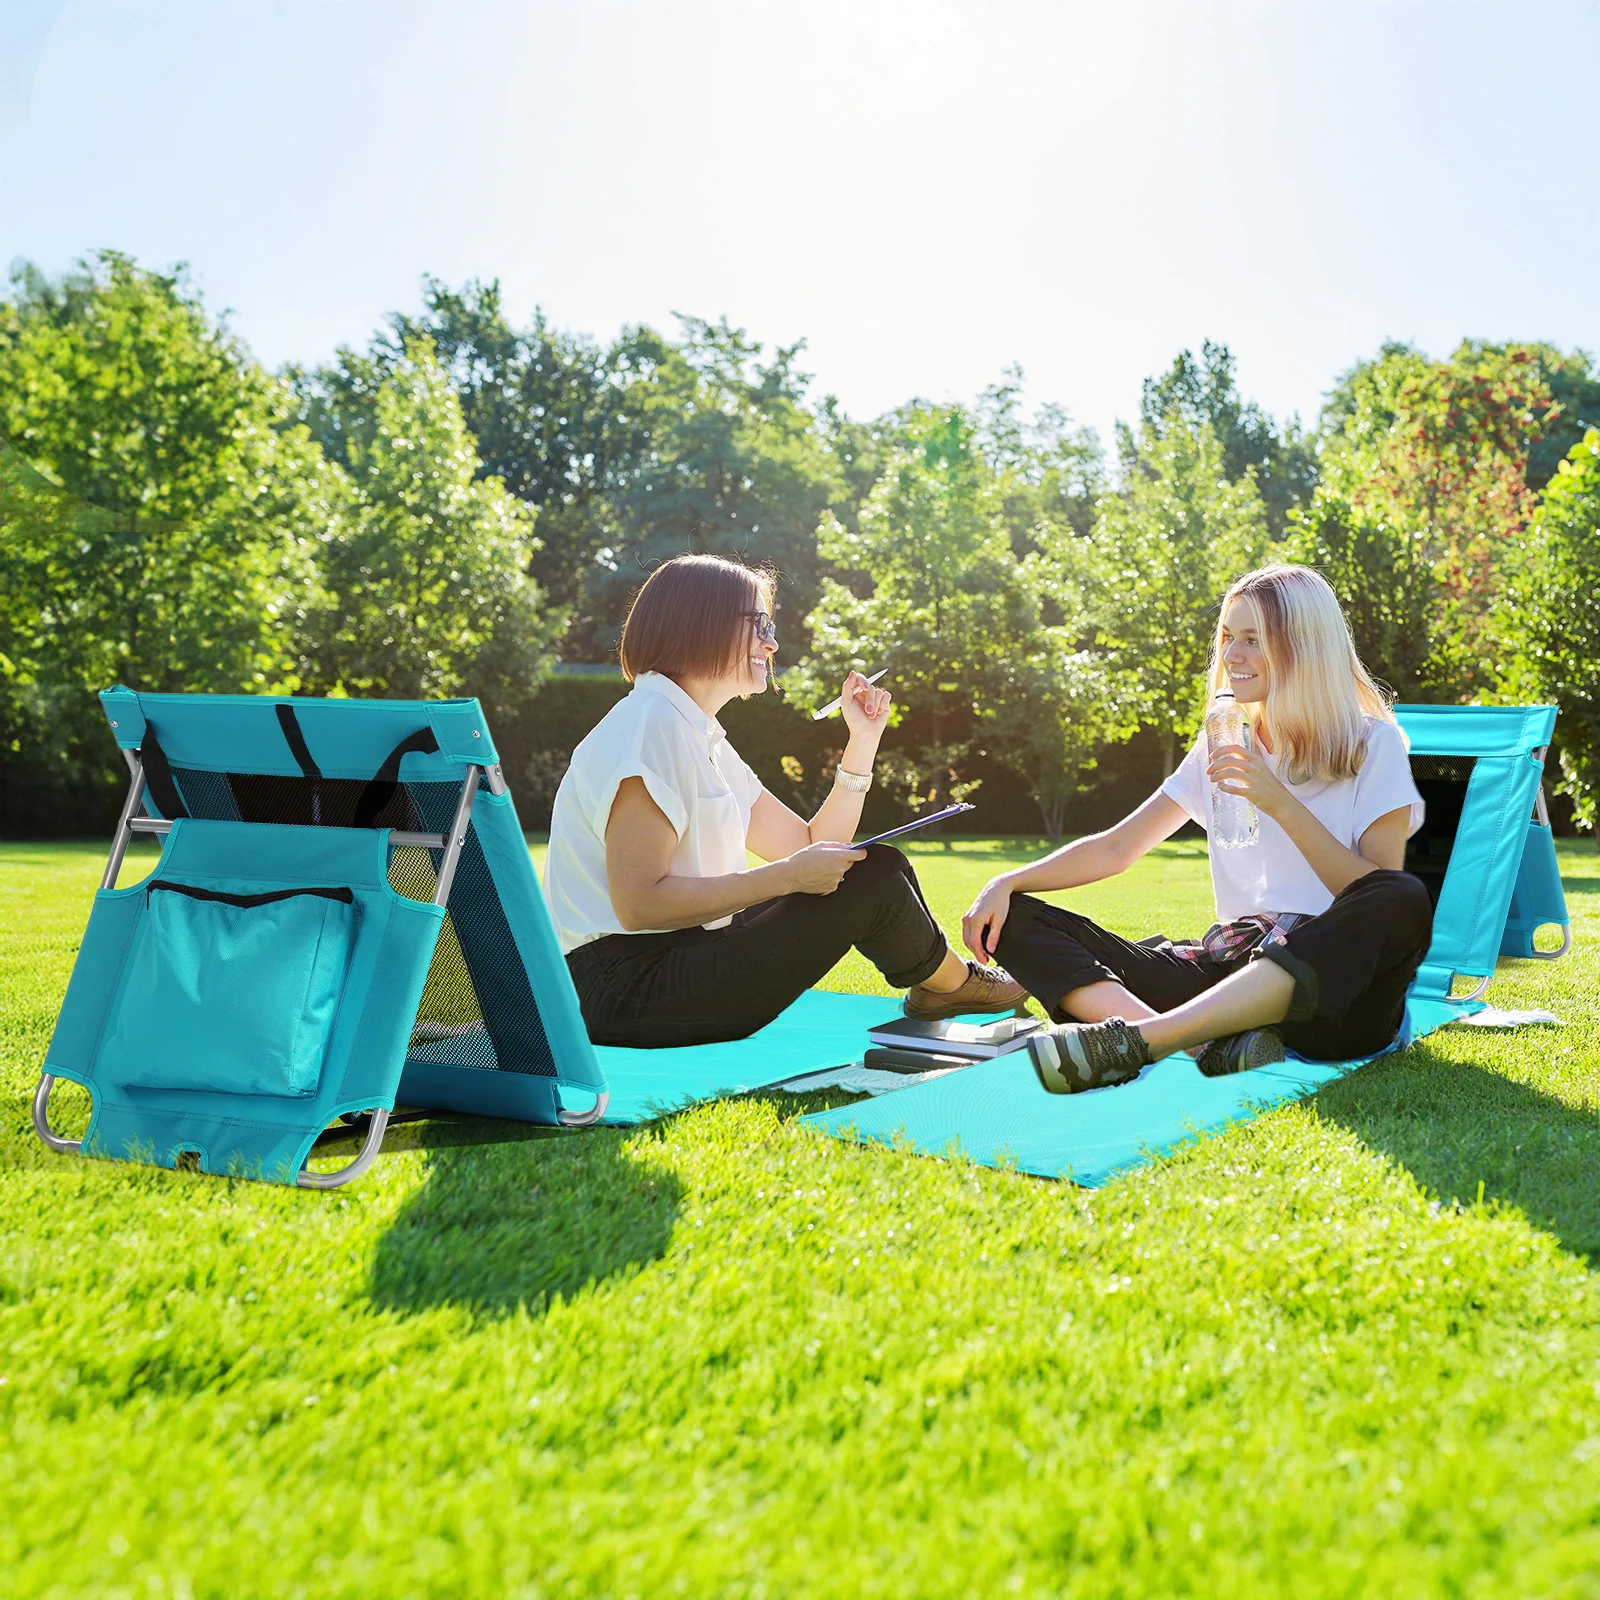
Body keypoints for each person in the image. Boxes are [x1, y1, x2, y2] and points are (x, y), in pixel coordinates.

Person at [962, 563, 1433, 1093]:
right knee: (1016, 915)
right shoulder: (1226, 741)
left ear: (1304, 646)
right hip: (1229, 971)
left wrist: (1278, 802)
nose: (1233, 656)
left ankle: (1146, 1041)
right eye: (1229, 637)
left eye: (1254, 639)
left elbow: (1373, 903)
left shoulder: (1373, 744)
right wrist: (1004, 883)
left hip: (1333, 996)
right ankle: (1196, 1046)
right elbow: (1118, 846)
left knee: (1401, 895)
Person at [544, 553, 1024, 1047]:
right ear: (700, 623)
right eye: (760, 624)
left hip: (676, 956)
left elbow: (813, 843)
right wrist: (785, 877)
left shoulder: (694, 731)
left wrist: (862, 740)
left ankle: (943, 983)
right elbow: (639, 905)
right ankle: (951, 985)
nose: (771, 643)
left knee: (876, 866)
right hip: (624, 989)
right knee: (873, 881)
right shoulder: (649, 728)